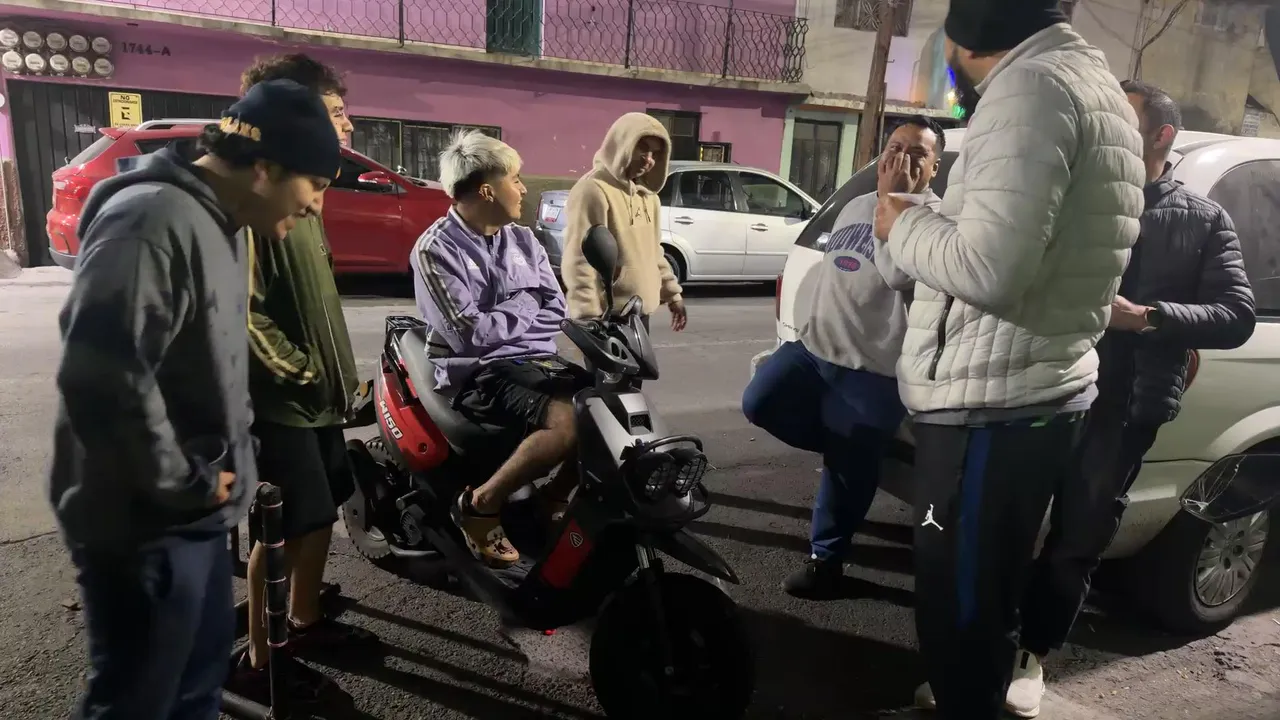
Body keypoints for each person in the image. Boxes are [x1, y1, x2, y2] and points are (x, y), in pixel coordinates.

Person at [869, 2, 1147, 718]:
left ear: (971, 37)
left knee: (956, 599)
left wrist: (906, 219)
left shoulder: (1031, 89)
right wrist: (921, 215)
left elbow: (988, 269)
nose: (945, 62)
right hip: (1027, 391)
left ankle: (969, 699)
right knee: (985, 591)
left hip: (987, 407)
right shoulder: (1092, 86)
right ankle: (974, 691)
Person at [49, 78, 339, 720]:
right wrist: (192, 482)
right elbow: (101, 383)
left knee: (195, 688)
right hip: (142, 522)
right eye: (314, 185)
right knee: (140, 703)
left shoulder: (222, 222)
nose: (316, 206)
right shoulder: (150, 221)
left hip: (190, 513)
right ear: (265, 168)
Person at [1008, 80, 1256, 717]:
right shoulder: (1073, 198)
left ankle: (1029, 655)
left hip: (1122, 408)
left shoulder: (1202, 220)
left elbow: (1237, 314)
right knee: (1003, 525)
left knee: (1077, 538)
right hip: (1040, 388)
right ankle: (979, 652)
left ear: (1160, 136)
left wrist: (1148, 318)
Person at [741, 116, 946, 599]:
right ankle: (857, 454)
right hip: (814, 351)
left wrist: (897, 201)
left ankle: (826, 562)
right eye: (894, 147)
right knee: (759, 402)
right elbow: (836, 271)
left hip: (873, 372)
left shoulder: (935, 222)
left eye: (917, 153)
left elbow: (898, 275)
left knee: (847, 472)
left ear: (934, 168)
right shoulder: (855, 204)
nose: (901, 159)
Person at [228, 54, 376, 701]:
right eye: (335, 113)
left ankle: (304, 618)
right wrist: (304, 370)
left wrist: (338, 382)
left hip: (316, 400)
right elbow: (242, 312)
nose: (348, 125)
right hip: (276, 403)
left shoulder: (305, 190)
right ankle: (259, 662)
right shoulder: (253, 196)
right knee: (283, 525)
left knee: (320, 509)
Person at [411, 130, 582, 568]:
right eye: (516, 179)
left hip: (534, 360)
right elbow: (470, 334)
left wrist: (509, 316)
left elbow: (556, 309)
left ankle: (553, 497)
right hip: (479, 372)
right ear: (487, 190)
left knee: (608, 406)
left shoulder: (524, 240)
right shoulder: (435, 249)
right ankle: (481, 505)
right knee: (566, 423)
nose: (523, 188)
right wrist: (526, 301)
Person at [561, 112, 687, 332]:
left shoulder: (649, 197)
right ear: (622, 143)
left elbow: (654, 253)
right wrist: (588, 317)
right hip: (606, 317)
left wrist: (672, 295)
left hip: (640, 314)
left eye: (655, 153)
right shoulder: (593, 190)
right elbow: (580, 259)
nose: (648, 160)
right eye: (642, 149)